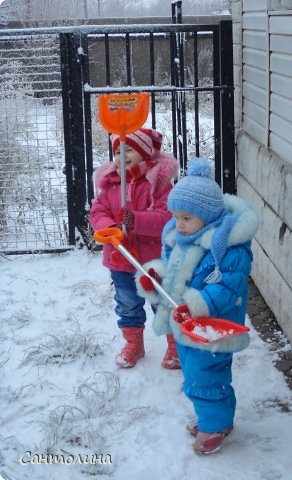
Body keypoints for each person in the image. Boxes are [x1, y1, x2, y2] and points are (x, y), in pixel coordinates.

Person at [136, 157, 259, 454]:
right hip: (187, 324)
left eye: (186, 218)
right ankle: (212, 417)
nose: (178, 223)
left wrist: (196, 305)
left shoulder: (228, 248)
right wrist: (156, 279)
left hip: (212, 328)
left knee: (207, 374)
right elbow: (173, 273)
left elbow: (226, 288)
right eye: (176, 216)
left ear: (209, 215)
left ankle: (216, 424)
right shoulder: (182, 240)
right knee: (193, 371)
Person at [90, 128, 180, 369]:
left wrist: (134, 220)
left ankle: (175, 346)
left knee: (161, 302)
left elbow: (166, 218)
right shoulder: (110, 183)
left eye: (129, 150)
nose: (122, 156)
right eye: (117, 151)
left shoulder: (158, 184)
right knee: (127, 303)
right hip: (119, 257)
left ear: (144, 153)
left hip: (152, 260)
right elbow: (98, 211)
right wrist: (110, 227)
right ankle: (134, 344)